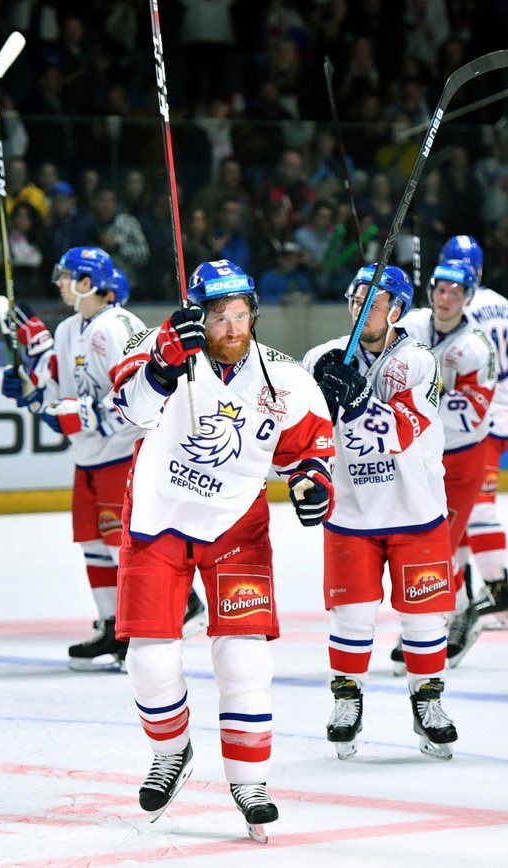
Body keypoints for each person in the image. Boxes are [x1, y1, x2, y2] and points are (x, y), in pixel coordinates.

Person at [108, 259, 335, 841]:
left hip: (237, 527)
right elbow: (128, 410)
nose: (232, 329)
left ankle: (250, 779)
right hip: (158, 521)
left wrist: (313, 483)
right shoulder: (155, 342)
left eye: (240, 316)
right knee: (150, 662)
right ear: (199, 315)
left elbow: (308, 450)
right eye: (218, 317)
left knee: (244, 660)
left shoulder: (284, 377)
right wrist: (163, 364)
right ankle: (172, 751)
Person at [0, 250, 207, 671]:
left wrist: (85, 414)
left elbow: (141, 394)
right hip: (88, 458)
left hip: (121, 454)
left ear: (90, 281)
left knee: (120, 543)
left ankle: (182, 605)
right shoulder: (68, 328)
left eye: (66, 276)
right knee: (93, 542)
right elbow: (56, 391)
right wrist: (29, 385)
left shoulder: (118, 327)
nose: (58, 282)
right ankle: (112, 626)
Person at [303, 264, 460, 761]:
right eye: (355, 300)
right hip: (350, 512)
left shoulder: (418, 361)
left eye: (370, 302)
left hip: (415, 509)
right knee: (350, 616)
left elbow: (403, 429)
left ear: (395, 310)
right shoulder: (319, 359)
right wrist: (320, 406)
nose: (359, 309)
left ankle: (427, 700)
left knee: (425, 618)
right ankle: (346, 700)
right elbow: (306, 434)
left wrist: (356, 400)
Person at [401, 259, 498, 665]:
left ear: (468, 297)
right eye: (441, 290)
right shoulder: (410, 326)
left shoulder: (476, 346)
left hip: (460, 460)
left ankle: (459, 614)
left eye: (455, 292)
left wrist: (416, 398)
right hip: (419, 456)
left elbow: (472, 413)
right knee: (415, 542)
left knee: (439, 545)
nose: (446, 298)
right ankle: (431, 623)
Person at [440, 235, 508, 630]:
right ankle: (473, 594)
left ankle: (494, 597)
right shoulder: (502, 304)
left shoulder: (461, 304)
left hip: (476, 417)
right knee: (461, 508)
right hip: (500, 412)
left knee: (475, 509)